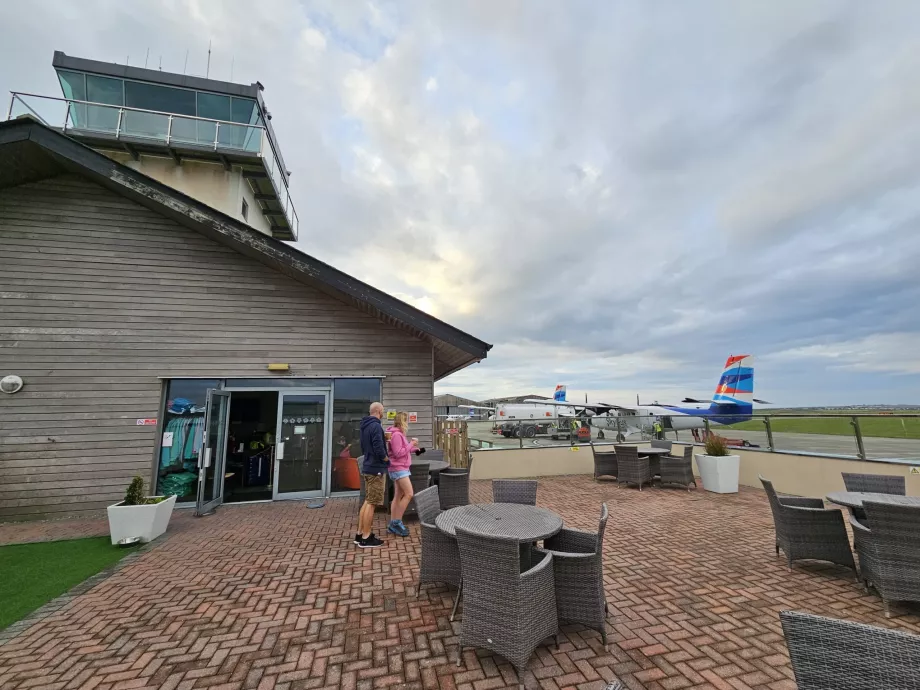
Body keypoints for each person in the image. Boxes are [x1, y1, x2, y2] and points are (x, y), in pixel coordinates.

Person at [355, 402, 388, 548]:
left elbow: (364, 445)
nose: (383, 413)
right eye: (383, 411)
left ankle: (360, 533)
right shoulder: (376, 426)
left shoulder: (365, 426)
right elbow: (378, 447)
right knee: (372, 502)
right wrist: (386, 459)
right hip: (376, 468)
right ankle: (366, 538)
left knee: (367, 501)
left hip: (368, 466)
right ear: (379, 411)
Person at [386, 411, 419, 537]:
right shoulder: (396, 435)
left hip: (398, 468)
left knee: (398, 495)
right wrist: (412, 443)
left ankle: (393, 524)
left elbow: (402, 450)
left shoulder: (397, 434)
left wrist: (415, 449)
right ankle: (396, 523)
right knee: (409, 493)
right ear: (403, 422)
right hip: (399, 469)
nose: (408, 424)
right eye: (407, 421)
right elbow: (399, 453)